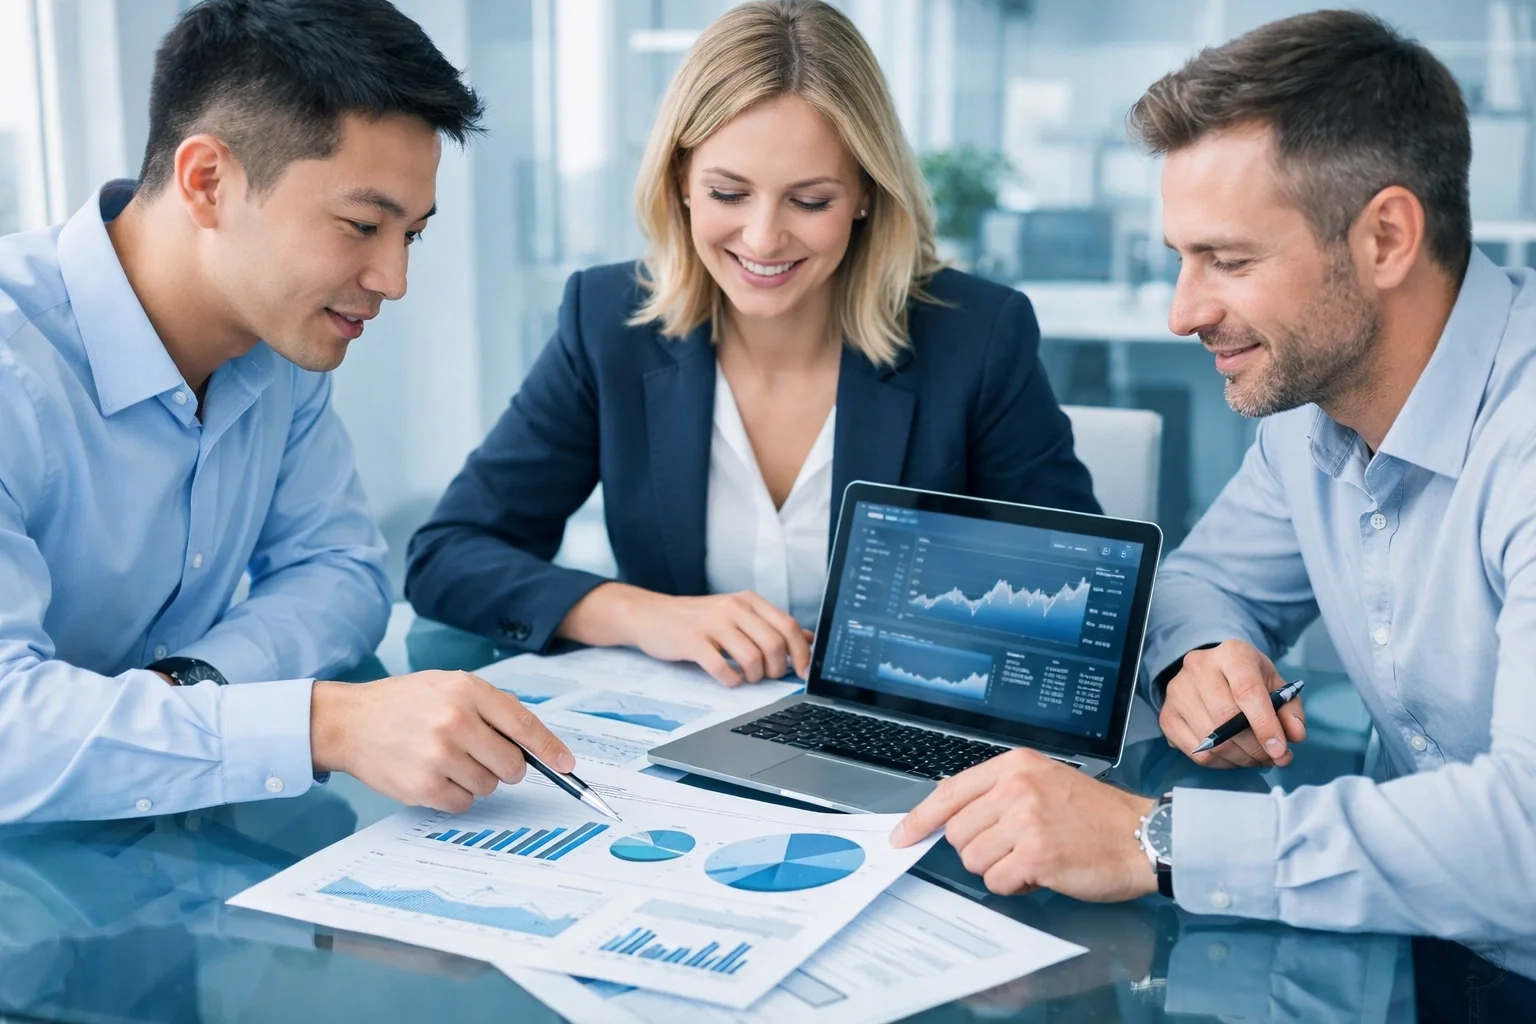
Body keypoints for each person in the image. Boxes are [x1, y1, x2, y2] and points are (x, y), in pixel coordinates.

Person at [891, 9, 1536, 980]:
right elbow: (1199, 582)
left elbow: (1526, 836)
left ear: (1387, 237)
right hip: (1416, 948)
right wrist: (1202, 652)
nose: (1183, 310)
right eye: (1181, 258)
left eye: (1228, 261)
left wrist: (1156, 837)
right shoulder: (1311, 414)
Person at [405, 0, 1099, 687]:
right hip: (680, 743)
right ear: (680, 179)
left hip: (903, 737)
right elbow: (449, 555)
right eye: (729, 193)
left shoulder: (976, 334)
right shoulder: (609, 322)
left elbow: (1078, 587)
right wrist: (642, 614)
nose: (764, 238)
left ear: (864, 193)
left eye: (810, 200)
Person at [0, 0, 574, 824]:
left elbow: (340, 573)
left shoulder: (280, 344)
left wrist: (191, 687)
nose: (392, 278)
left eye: (409, 235)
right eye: (362, 225)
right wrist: (318, 723)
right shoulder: (15, 366)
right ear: (208, 182)